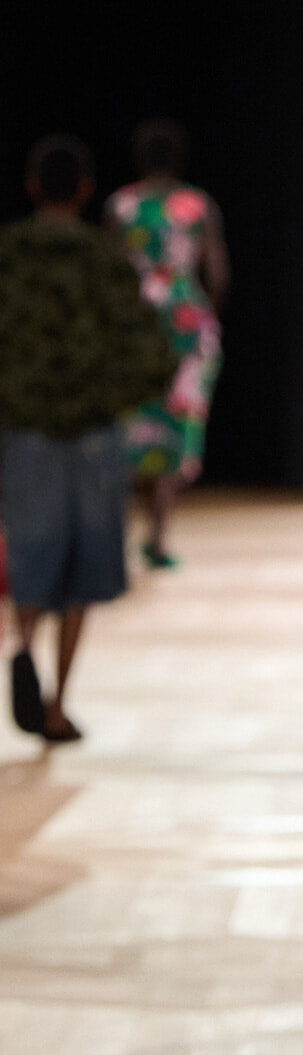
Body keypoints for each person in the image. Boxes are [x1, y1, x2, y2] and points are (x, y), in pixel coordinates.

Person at [0, 137, 174, 741]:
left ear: (30, 187)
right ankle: (55, 703)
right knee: (83, 566)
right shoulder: (105, 262)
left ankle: (22, 645)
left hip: (22, 430)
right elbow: (151, 351)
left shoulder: (9, 255)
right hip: (93, 434)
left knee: (30, 554)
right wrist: (110, 394)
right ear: (82, 190)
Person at [106, 119, 228, 569]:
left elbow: (111, 269)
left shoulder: (121, 205)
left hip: (134, 324)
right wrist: (201, 311)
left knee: (132, 429)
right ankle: (157, 537)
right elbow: (217, 273)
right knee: (176, 429)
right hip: (185, 321)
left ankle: (119, 538)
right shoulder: (196, 205)